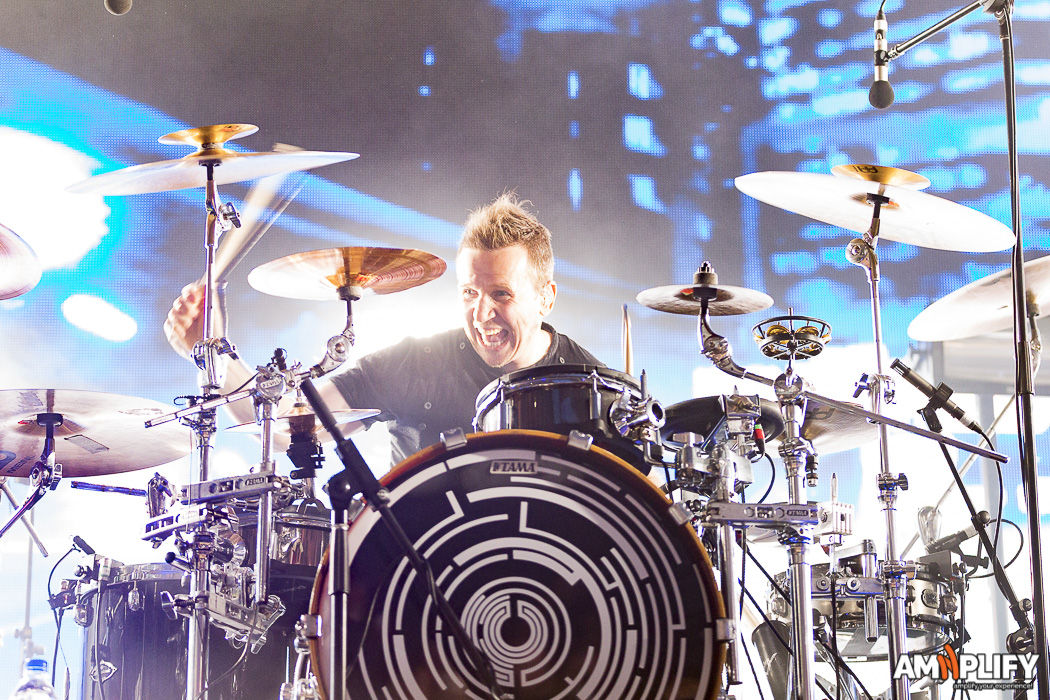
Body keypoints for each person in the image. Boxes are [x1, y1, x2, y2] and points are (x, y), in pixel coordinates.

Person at [164, 193, 603, 465]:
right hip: (417, 589)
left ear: (546, 297)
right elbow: (280, 430)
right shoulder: (417, 362)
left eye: (501, 294)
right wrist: (213, 355)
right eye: (469, 292)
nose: (481, 312)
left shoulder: (594, 389)